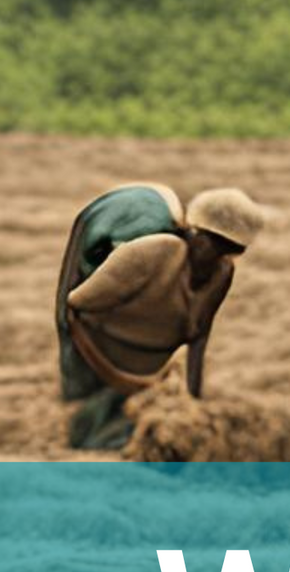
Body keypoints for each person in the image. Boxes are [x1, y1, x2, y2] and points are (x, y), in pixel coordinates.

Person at [55, 183, 266, 450]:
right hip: (96, 349)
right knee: (86, 420)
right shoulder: (154, 251)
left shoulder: (221, 274)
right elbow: (77, 303)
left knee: (129, 428)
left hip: (144, 368)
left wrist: (194, 402)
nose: (214, 255)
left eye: (227, 249)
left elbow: (199, 337)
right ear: (194, 231)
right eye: (212, 244)